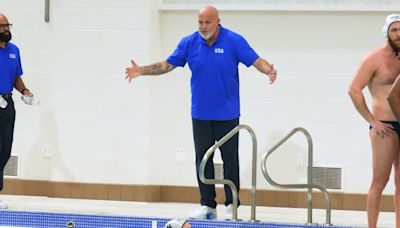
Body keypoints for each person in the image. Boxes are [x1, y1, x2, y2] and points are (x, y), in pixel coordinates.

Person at [125, 5, 277, 220]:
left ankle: (231, 205)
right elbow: (167, 64)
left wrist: (268, 70)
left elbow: (255, 60)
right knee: (203, 161)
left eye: (207, 22)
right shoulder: (189, 43)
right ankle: (208, 205)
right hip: (201, 114)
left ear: (218, 22)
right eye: (200, 22)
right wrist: (142, 70)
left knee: (230, 161)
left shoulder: (234, 41)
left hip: (228, 114)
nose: (203, 27)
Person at [348, 13, 400, 228]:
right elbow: (353, 90)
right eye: (394, 30)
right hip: (385, 127)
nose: (399, 34)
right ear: (386, 32)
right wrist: (372, 120)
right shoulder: (374, 58)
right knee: (380, 181)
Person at [0, 13, 34, 209]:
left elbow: (16, 77)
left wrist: (24, 90)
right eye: (2, 26)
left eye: (8, 26)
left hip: (7, 104)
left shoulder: (14, 50)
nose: (6, 29)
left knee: (5, 150)